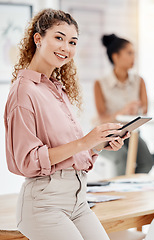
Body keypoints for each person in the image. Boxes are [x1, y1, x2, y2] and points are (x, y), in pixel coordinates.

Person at [4, 9, 128, 240]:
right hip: (44, 205)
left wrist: (97, 146)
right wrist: (85, 141)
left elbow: (69, 153)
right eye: (59, 38)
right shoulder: (24, 92)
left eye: (72, 42)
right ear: (38, 39)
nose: (66, 47)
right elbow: (27, 161)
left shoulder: (56, 90)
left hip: (78, 201)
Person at [93, 34, 154, 175]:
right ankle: (119, 192)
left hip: (131, 133)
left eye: (134, 53)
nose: (134, 57)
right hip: (107, 135)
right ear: (116, 57)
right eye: (129, 53)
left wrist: (137, 109)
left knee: (147, 161)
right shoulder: (100, 84)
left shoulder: (140, 81)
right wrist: (123, 112)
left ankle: (133, 189)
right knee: (122, 157)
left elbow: (145, 109)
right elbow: (102, 118)